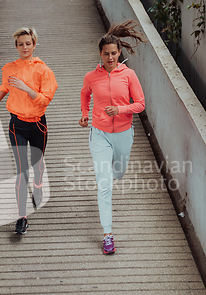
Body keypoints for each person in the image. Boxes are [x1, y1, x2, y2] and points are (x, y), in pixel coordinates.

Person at [79, 20, 146, 253]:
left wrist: (120, 109)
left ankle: (115, 171)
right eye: (106, 54)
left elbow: (140, 104)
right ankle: (108, 234)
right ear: (100, 54)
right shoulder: (92, 77)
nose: (110, 58)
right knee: (104, 183)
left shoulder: (129, 75)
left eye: (114, 54)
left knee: (118, 173)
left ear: (119, 53)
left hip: (124, 134)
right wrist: (84, 114)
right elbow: (84, 94)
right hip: (99, 134)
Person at [0, 27, 58, 234]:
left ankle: (38, 186)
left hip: (37, 125)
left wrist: (26, 88)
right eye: (20, 44)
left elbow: (46, 99)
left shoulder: (43, 70)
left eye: (28, 43)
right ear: (16, 46)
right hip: (16, 124)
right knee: (21, 170)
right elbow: (5, 86)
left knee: (36, 164)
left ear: (34, 45)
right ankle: (22, 216)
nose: (24, 47)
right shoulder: (9, 68)